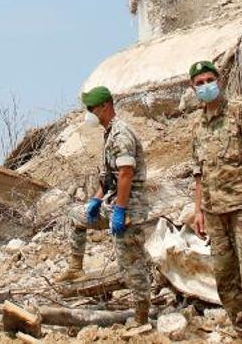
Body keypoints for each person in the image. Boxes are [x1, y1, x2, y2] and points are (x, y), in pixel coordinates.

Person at [189, 61, 242, 341]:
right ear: (192, 88)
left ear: (219, 79)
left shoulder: (240, 111)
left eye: (209, 80)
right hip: (215, 214)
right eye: (199, 82)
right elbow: (199, 171)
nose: (205, 86)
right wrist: (198, 210)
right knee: (225, 280)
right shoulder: (198, 125)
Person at [59, 87, 152, 323]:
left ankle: (142, 318)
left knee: (131, 263)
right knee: (75, 216)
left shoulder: (121, 134)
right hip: (112, 204)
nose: (88, 113)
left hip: (128, 207)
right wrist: (96, 199)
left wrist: (120, 210)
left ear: (105, 106)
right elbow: (110, 178)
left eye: (91, 109)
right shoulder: (109, 133)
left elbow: (126, 174)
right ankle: (75, 266)